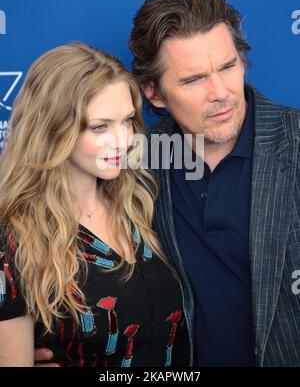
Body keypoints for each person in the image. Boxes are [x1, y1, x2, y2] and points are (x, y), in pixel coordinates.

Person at [128, 0, 300, 367]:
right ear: (154, 93)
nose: (221, 92)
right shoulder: (136, 161)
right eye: (193, 80)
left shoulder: (296, 142)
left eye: (227, 67)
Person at [0, 42, 189, 367]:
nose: (122, 140)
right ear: (53, 130)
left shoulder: (144, 202)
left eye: (127, 121)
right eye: (100, 126)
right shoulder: (14, 240)